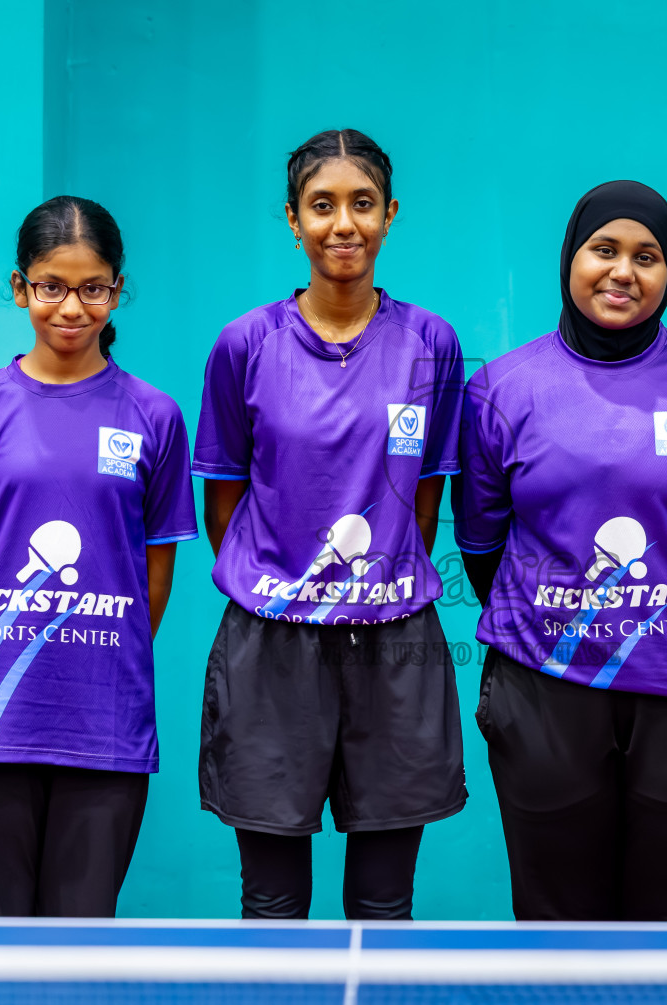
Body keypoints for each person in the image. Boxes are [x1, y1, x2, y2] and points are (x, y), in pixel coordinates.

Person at [453, 181, 667, 921]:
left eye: (647, 257)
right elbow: (483, 547)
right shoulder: (500, 389)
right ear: (569, 258)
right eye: (603, 250)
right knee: (556, 928)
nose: (623, 272)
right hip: (544, 691)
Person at [194, 128, 467, 920]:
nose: (342, 223)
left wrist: (375, 571)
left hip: (394, 643)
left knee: (384, 903)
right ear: (292, 219)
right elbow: (227, 501)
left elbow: (424, 502)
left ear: (388, 216)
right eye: (322, 206)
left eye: (361, 204)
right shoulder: (245, 344)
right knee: (272, 901)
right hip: (272, 641)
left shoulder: (431, 344)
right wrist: (282, 584)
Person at [0, 196, 198, 916]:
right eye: (51, 286)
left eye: (93, 287)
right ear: (21, 288)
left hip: (103, 719)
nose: (72, 306)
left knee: (80, 949)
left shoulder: (154, 416)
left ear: (117, 289)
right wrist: (0, 643)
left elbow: (155, 572)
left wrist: (97, 651)